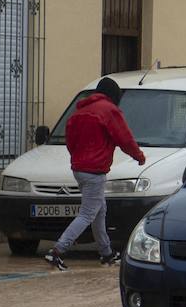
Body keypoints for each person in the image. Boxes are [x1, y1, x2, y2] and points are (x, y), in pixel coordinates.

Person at [44, 77, 146, 270]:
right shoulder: (109, 110)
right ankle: (57, 251)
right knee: (88, 214)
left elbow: (70, 142)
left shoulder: (79, 112)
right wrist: (139, 156)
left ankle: (106, 253)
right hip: (95, 171)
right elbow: (124, 137)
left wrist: (78, 159)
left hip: (79, 169)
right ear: (113, 95)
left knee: (99, 211)